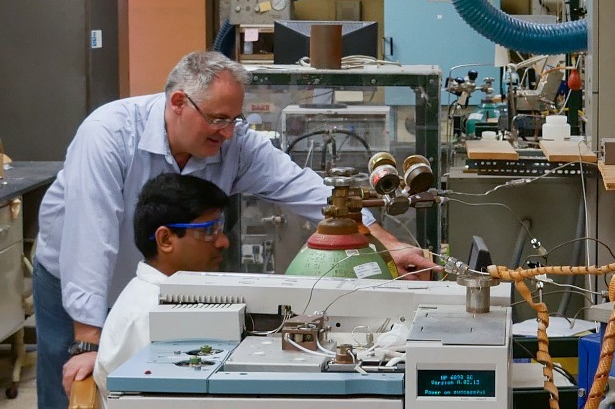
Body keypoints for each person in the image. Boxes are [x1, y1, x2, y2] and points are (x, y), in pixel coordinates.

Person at [34, 51, 439, 408]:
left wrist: (388, 245)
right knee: (75, 386)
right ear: (178, 102)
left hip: (161, 284)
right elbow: (90, 240)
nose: (227, 132)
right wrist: (87, 342)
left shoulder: (234, 144)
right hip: (73, 283)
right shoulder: (109, 135)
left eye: (234, 119)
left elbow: (311, 192)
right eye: (218, 119)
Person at [90, 173, 230, 392]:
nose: (223, 242)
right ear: (165, 240)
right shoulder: (151, 317)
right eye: (209, 230)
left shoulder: (166, 297)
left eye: (221, 228)